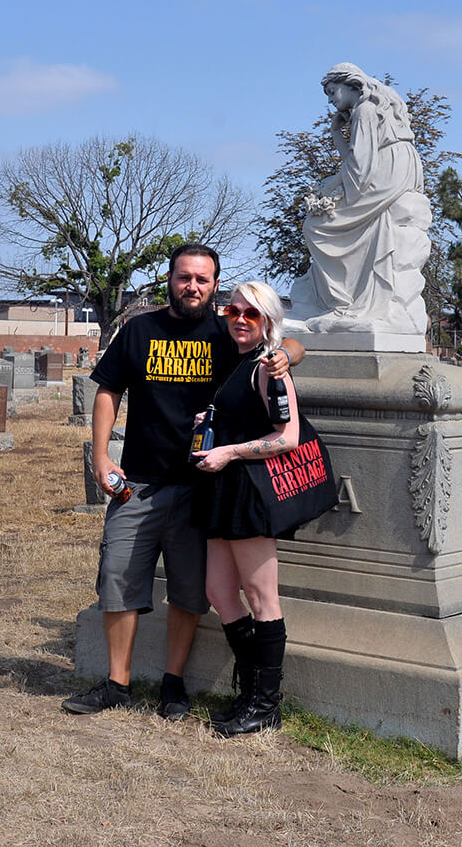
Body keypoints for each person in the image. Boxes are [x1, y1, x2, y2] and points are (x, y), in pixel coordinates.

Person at [63, 244, 303, 720]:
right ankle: (117, 683)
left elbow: (284, 342)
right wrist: (100, 454)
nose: (192, 286)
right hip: (139, 483)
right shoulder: (139, 330)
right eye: (183, 277)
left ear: (214, 285)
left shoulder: (227, 330)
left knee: (191, 592)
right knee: (117, 578)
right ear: (168, 279)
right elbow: (108, 390)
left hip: (201, 489)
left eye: (203, 279)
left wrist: (288, 358)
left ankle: (174, 686)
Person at [191, 280, 322, 737]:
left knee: (262, 597)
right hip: (224, 490)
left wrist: (229, 451)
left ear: (268, 321)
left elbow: (287, 437)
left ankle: (266, 705)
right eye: (234, 312)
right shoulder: (239, 362)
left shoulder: (270, 365)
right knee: (220, 593)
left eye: (252, 314)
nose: (241, 320)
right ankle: (249, 692)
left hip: (249, 491)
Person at [286, 62, 431, 337]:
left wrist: (333, 183)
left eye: (332, 92)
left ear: (349, 83)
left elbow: (359, 169)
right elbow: (357, 161)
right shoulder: (377, 106)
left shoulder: (364, 110)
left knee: (317, 227)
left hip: (386, 173)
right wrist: (336, 135)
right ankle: (347, 297)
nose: (330, 101)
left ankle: (342, 301)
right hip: (396, 167)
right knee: (352, 223)